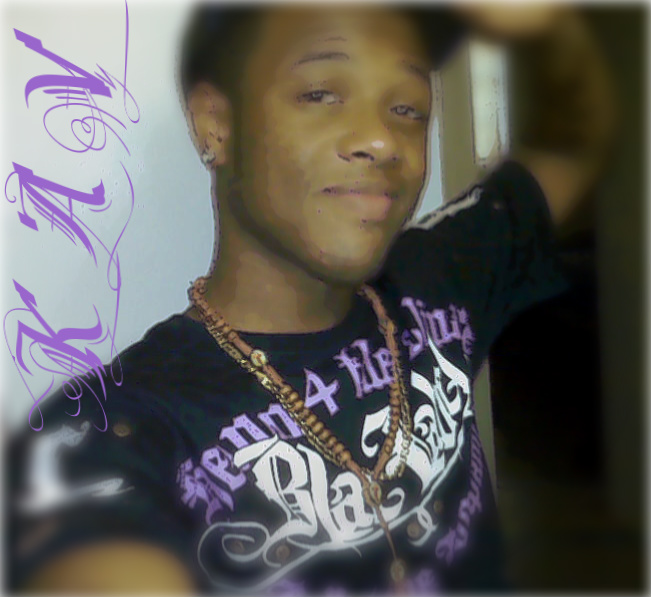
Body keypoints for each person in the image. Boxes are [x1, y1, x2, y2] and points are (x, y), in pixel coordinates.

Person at [6, 4, 614, 594]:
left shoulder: (440, 277)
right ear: (216, 123)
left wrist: (548, 24)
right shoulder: (110, 432)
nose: (382, 139)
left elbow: (572, 136)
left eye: (408, 108)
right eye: (321, 94)